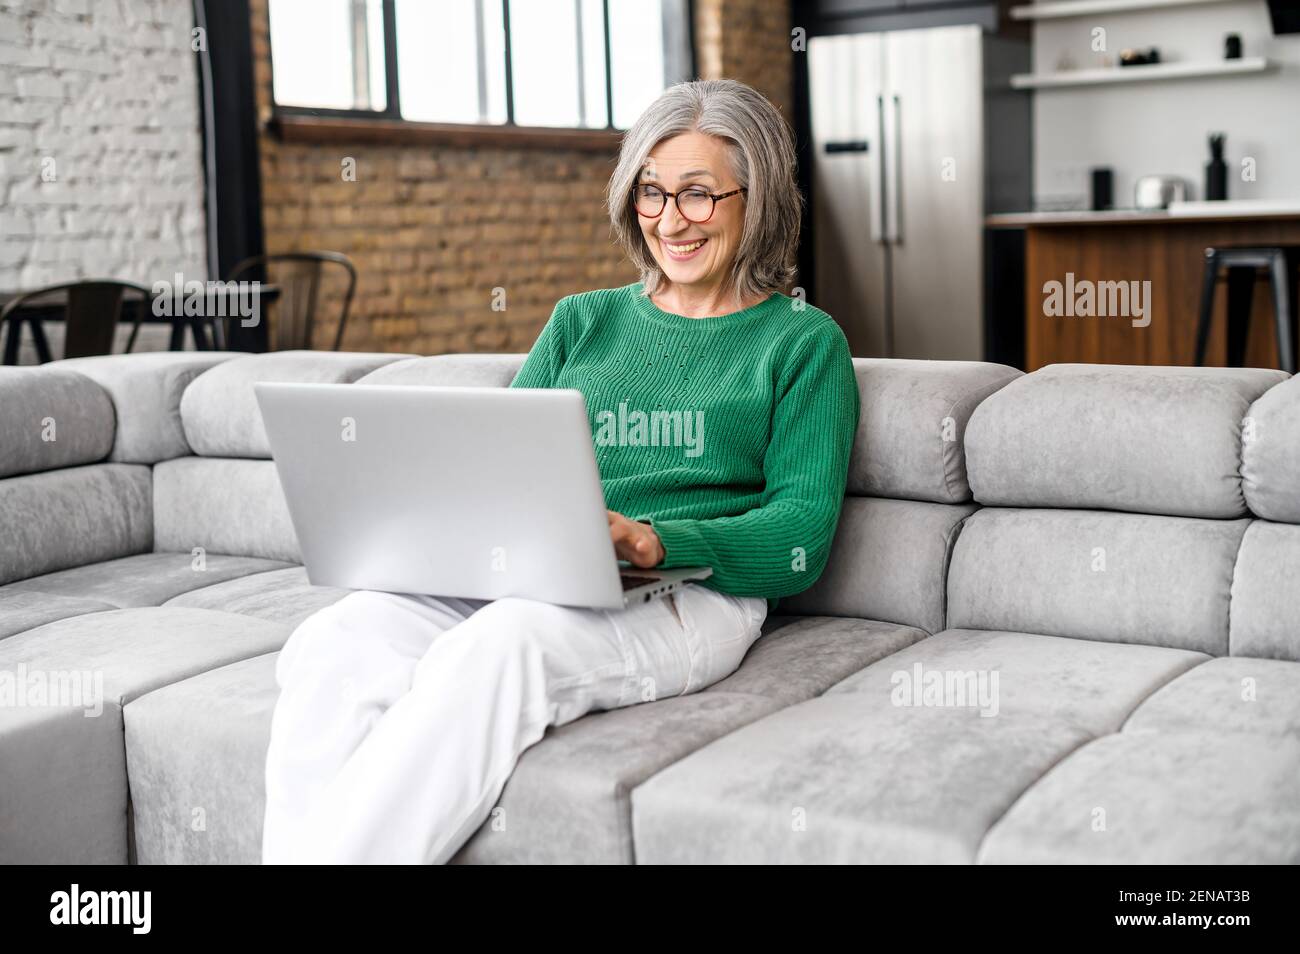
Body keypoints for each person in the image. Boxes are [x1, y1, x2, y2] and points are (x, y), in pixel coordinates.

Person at [262, 78, 860, 864]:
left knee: (505, 644)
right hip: (538, 572)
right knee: (335, 638)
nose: (669, 220)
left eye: (698, 195)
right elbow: (500, 465)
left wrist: (652, 540)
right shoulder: (584, 321)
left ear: (760, 200)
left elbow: (800, 537)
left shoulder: (803, 343)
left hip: (690, 595)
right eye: (651, 191)